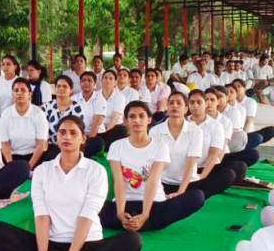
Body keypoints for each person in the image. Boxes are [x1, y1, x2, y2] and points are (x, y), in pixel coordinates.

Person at [0, 116, 142, 251]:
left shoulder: (96, 171)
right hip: (51, 243)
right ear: (57, 137)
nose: (67, 137)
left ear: (83, 139)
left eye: (73, 133)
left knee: (132, 241)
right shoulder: (42, 171)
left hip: (86, 245)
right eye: (62, 132)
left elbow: (87, 216)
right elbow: (41, 215)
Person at [99, 101, 205, 231]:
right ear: (126, 121)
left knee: (197, 196)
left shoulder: (160, 146)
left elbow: (152, 182)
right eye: (132, 116)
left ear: (149, 119)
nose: (137, 120)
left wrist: (145, 215)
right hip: (124, 204)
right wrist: (120, 213)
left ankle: (139, 222)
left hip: (154, 205)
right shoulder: (117, 146)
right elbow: (119, 182)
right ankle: (131, 222)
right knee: (88, 205)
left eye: (141, 116)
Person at [187, 89, 247, 197]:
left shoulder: (217, 125)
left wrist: (202, 176)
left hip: (207, 166)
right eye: (192, 102)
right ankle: (197, 190)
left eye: (199, 102)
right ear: (187, 105)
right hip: (184, 169)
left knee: (235, 170)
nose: (195, 105)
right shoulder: (183, 123)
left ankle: (199, 187)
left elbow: (215, 154)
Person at [43, 75, 105, 158]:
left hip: (71, 145)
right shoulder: (47, 106)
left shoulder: (77, 108)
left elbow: (76, 131)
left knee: (98, 142)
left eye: (65, 86)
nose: (61, 88)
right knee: (49, 154)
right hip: (52, 146)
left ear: (71, 90)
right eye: (58, 86)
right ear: (55, 89)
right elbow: (43, 130)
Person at [0, 78, 50, 170]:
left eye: (23, 90)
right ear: (12, 95)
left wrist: (28, 167)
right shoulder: (6, 114)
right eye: (16, 90)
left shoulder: (38, 113)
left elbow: (41, 144)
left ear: (30, 94)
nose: (19, 93)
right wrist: (11, 166)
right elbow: (5, 143)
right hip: (12, 157)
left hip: (35, 156)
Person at [75, 71, 108, 151]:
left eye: (89, 80)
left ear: (95, 84)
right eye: (83, 80)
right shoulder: (74, 99)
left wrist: (86, 140)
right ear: (80, 83)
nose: (86, 83)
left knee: (96, 143)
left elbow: (97, 122)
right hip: (78, 134)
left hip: (96, 134)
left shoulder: (100, 99)